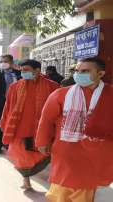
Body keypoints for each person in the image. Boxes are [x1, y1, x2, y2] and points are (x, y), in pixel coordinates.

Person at [36, 57, 113, 202]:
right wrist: (42, 141)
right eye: (77, 71)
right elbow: (46, 120)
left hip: (97, 152)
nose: (78, 74)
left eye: (85, 71)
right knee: (60, 192)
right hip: (66, 151)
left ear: (100, 74)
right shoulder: (61, 94)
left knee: (85, 190)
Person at [0, 59, 59, 190]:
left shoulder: (53, 86)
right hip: (19, 128)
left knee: (46, 155)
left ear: (37, 70)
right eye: (21, 70)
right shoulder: (15, 87)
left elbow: (58, 110)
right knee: (21, 156)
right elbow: (8, 106)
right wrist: (4, 122)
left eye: (26, 70)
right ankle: (26, 180)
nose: (23, 73)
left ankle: (55, 183)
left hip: (43, 130)